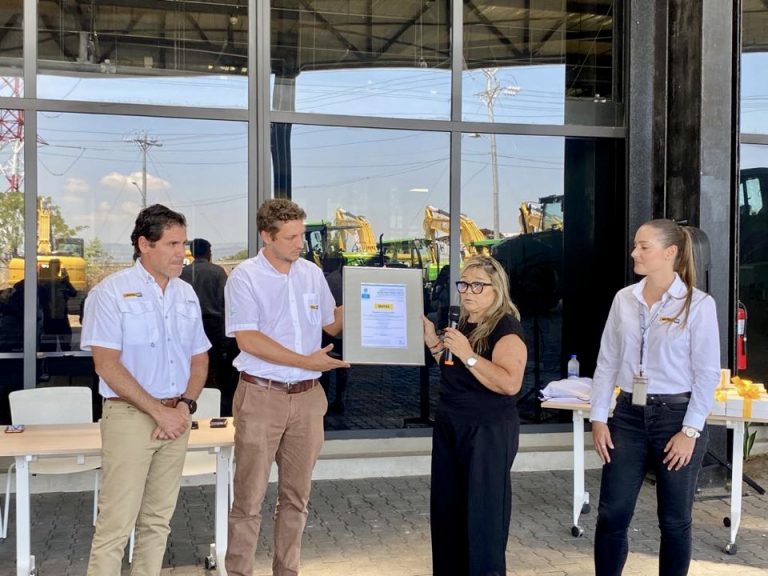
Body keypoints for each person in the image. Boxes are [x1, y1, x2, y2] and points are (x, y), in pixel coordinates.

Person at [81, 204, 210, 575]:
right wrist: (159, 411)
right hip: (130, 417)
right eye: (172, 244)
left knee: (157, 522)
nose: (181, 253)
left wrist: (184, 407)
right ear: (144, 244)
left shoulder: (186, 294)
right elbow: (107, 365)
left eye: (183, 244)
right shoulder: (111, 293)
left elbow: (199, 359)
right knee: (115, 525)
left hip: (176, 418)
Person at [590, 219, 720, 576]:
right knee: (612, 514)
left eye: (643, 246)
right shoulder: (624, 299)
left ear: (670, 252)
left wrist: (690, 431)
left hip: (676, 419)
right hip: (628, 417)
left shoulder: (698, 305)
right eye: (635, 245)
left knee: (674, 520)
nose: (634, 252)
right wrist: (599, 417)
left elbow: (707, 374)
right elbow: (607, 361)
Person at [224, 198, 347, 576]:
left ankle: (287, 571)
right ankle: (240, 571)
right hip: (261, 396)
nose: (299, 244)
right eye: (291, 237)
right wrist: (305, 361)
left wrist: (370, 295)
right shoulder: (245, 277)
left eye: (301, 235)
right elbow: (248, 339)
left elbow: (331, 324)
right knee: (249, 499)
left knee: (297, 498)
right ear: (266, 236)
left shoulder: (311, 273)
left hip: (308, 398)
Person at [422, 255, 527, 576]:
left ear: (497, 289)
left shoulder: (505, 328)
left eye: (477, 286)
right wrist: (433, 341)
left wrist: (468, 354)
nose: (467, 292)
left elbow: (509, 383)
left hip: (487, 431)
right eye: (464, 284)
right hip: (451, 425)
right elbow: (454, 368)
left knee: (483, 516)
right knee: (448, 511)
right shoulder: (463, 323)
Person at [180, 238, 236, 414]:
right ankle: (215, 409)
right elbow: (226, 303)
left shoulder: (183, 273)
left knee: (191, 369)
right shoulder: (217, 272)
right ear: (208, 252)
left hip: (188, 326)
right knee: (215, 372)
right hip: (213, 326)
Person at [319, 255, 349, 413]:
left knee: (332, 367)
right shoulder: (334, 280)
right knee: (339, 366)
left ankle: (332, 399)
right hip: (337, 331)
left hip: (333, 331)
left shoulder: (331, 279)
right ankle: (338, 399)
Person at [39, 258, 77, 351]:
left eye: (58, 266)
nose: (56, 268)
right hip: (49, 317)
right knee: (50, 346)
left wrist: (67, 282)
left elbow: (73, 293)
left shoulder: (61, 282)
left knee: (65, 345)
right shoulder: (45, 282)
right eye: (55, 266)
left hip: (61, 316)